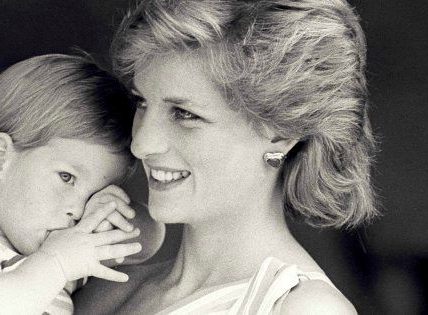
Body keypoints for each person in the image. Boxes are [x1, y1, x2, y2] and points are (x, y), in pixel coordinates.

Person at [73, 0, 378, 314]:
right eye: (142, 102)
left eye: (184, 114)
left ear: (280, 133)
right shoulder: (106, 287)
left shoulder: (301, 308)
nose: (141, 144)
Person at [0, 54, 165, 314]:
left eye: (92, 194)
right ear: (0, 159)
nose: (77, 210)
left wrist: (105, 213)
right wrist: (58, 263)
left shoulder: (58, 252)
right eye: (67, 177)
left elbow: (146, 241)